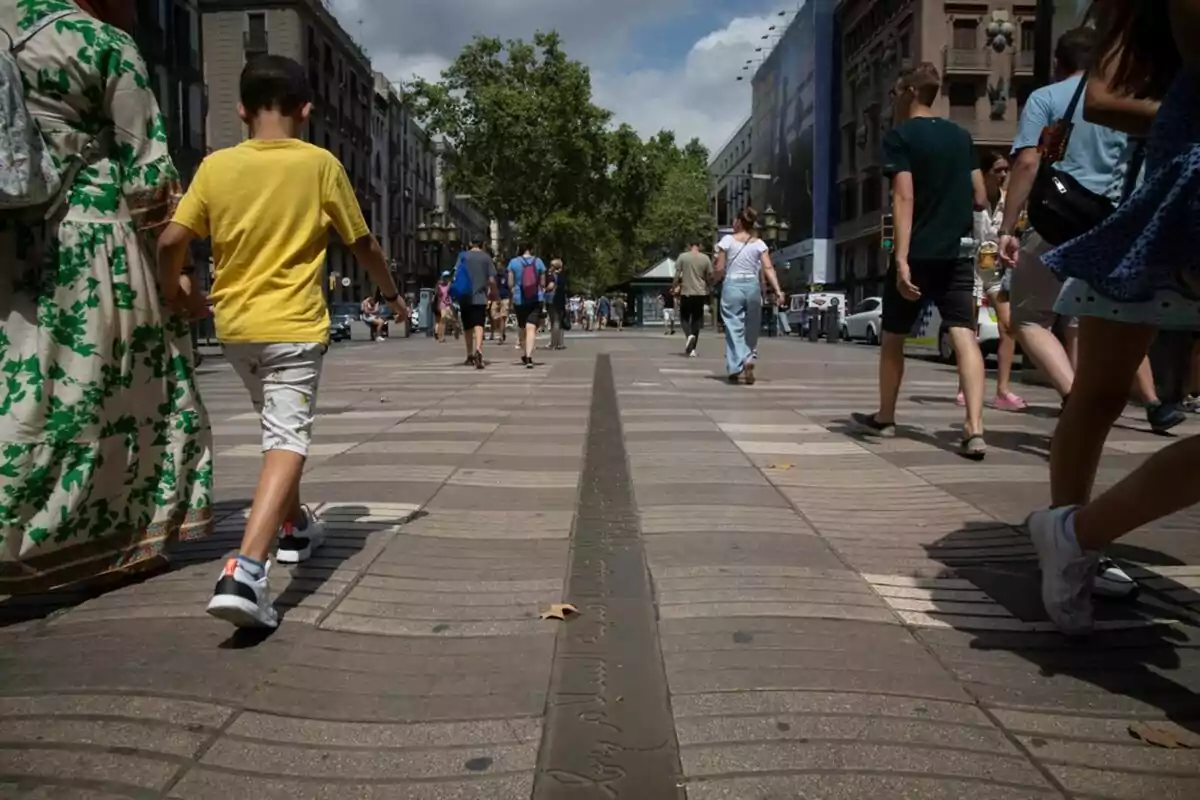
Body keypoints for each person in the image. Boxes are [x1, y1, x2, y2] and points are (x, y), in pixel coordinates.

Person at [157, 54, 407, 629]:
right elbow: (363, 243)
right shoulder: (319, 164)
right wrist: (391, 295)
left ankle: (294, 527)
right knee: (287, 441)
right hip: (293, 326)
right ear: (306, 108)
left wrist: (180, 293)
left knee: (275, 432)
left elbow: (172, 239)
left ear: (241, 109)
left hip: (236, 329)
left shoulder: (217, 167)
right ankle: (245, 571)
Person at [0, 0, 213, 593]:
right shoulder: (99, 42)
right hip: (91, 245)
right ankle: (110, 535)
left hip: (9, 248)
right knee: (114, 393)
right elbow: (148, 174)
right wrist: (182, 271)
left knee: (20, 389)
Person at [1027, 0, 1200, 636]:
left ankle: (1071, 535)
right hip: (1127, 217)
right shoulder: (1053, 98)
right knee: (1094, 388)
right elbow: (1041, 150)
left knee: (1088, 379)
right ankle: (1073, 536)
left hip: (1156, 207)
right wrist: (1014, 224)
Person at [999, 27, 1184, 435]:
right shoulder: (1127, 97)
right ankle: (1152, 404)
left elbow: (1028, 163)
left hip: (1060, 217)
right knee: (1104, 315)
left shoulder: (1046, 98)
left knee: (1029, 318)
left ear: (1058, 62)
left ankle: (1074, 397)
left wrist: (1007, 228)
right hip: (1116, 220)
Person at [850, 63, 990, 460]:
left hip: (919, 251)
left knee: (894, 336)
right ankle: (974, 428)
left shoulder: (900, 137)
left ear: (910, 92)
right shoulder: (961, 137)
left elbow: (904, 198)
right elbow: (980, 195)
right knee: (963, 333)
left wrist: (901, 258)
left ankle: (887, 417)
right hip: (958, 251)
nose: (894, 101)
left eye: (896, 94)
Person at [958, 150, 1027, 411]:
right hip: (970, 265)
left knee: (1008, 325)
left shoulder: (1009, 202)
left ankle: (1003, 390)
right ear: (984, 173)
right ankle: (964, 387)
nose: (1003, 175)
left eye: (1005, 170)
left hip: (992, 268)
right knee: (968, 328)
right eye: (997, 170)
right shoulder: (972, 200)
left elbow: (1014, 230)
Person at [715, 207, 783, 385]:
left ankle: (743, 361)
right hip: (752, 287)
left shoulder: (727, 240)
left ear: (738, 221)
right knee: (752, 327)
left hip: (732, 286)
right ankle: (742, 362)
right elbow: (768, 268)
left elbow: (719, 268)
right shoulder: (759, 244)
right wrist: (778, 290)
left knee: (733, 326)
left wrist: (713, 280)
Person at [457, 237, 497, 369]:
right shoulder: (486, 258)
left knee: (467, 326)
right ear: (482, 244)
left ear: (470, 243)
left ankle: (469, 355)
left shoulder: (463, 257)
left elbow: (456, 274)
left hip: (464, 296)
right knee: (479, 324)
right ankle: (478, 350)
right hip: (480, 296)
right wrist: (493, 293)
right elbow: (491, 279)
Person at [507, 245, 546, 368]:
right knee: (531, 328)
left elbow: (510, 283)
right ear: (531, 249)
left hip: (519, 299)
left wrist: (514, 292)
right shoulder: (538, 262)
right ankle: (528, 356)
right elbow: (543, 282)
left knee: (522, 326)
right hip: (535, 298)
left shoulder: (513, 262)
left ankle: (525, 352)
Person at [674, 240, 714, 356]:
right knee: (697, 319)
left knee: (684, 317)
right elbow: (709, 275)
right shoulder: (705, 258)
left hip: (686, 291)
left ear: (688, 246)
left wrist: (674, 285)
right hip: (700, 292)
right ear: (699, 246)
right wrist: (709, 286)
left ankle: (689, 336)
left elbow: (677, 273)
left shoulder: (683, 257)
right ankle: (693, 349)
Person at [547, 259, 568, 350]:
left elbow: (551, 286)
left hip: (553, 299)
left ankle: (553, 343)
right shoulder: (563, 275)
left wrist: (545, 289)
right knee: (560, 321)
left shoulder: (552, 275)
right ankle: (560, 343)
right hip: (561, 298)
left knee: (554, 321)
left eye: (551, 265)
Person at [489, 259, 510, 343]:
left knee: (503, 317)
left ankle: (501, 336)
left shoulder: (507, 275)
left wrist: (511, 300)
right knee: (494, 316)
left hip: (505, 298)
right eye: (497, 265)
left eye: (500, 265)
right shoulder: (494, 276)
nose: (498, 267)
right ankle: (502, 331)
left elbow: (510, 287)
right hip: (495, 298)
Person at [435, 271, 454, 342]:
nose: (446, 278)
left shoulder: (449, 285)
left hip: (448, 305)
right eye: (445, 277)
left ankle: (442, 335)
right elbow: (438, 294)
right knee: (442, 320)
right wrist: (438, 286)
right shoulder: (439, 286)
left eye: (447, 277)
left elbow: (451, 292)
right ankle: (440, 336)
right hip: (442, 305)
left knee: (447, 320)